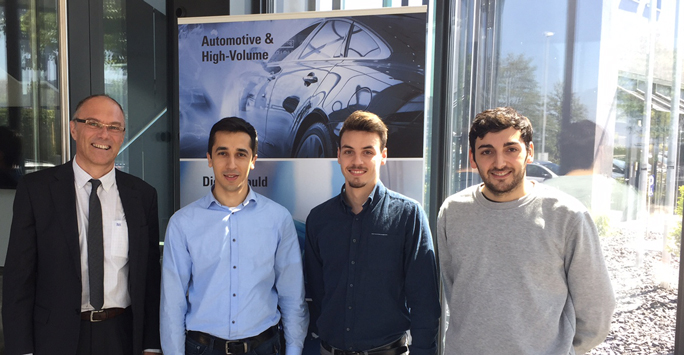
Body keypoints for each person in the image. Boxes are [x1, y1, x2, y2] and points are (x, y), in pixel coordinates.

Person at [437, 107, 615, 355]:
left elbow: (596, 307)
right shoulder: (452, 211)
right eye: (487, 151)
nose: (499, 162)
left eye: (511, 149)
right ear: (472, 157)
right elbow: (453, 289)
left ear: (529, 152)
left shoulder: (567, 215)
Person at [2, 95, 161, 355]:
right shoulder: (36, 191)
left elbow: (150, 278)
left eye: (114, 127)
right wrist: (21, 349)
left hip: (121, 334)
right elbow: (18, 279)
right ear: (73, 129)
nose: (104, 134)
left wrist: (151, 345)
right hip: (55, 336)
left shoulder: (142, 196)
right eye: (93, 123)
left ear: (122, 135)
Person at [160, 117, 308, 355]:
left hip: (265, 348)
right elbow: (172, 305)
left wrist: (293, 350)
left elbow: (292, 296)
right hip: (202, 349)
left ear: (253, 161)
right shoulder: (182, 223)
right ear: (209, 159)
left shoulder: (278, 219)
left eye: (241, 154)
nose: (231, 164)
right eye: (222, 153)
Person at [304, 111, 440, 355]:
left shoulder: (409, 215)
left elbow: (424, 301)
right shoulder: (319, 219)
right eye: (348, 151)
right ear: (338, 156)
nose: (357, 161)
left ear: (383, 156)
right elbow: (318, 292)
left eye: (368, 151)